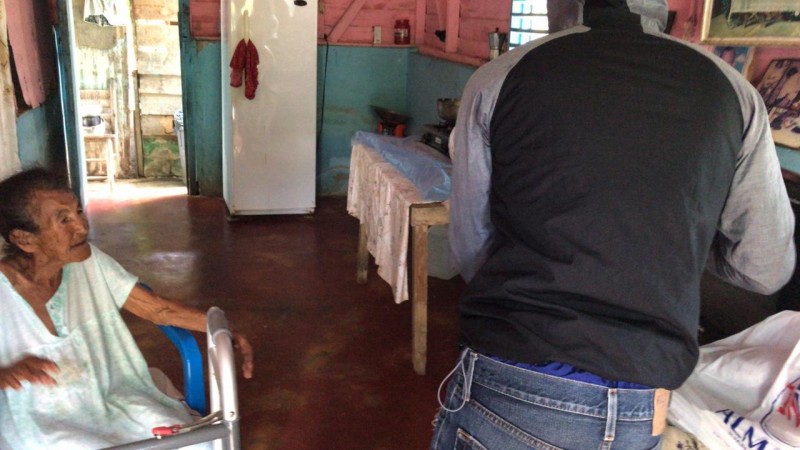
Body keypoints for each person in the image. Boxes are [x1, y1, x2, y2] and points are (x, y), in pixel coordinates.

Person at [432, 1, 796, 449]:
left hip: (518, 371)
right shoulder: (734, 92)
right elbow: (765, 268)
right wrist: (679, 244)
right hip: (641, 399)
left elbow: (471, 247)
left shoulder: (501, 76)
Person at [0, 167, 254, 449]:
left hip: (114, 396)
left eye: (78, 211)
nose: (82, 227)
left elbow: (158, 310)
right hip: (40, 417)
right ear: (24, 239)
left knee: (190, 442)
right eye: (64, 220)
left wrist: (224, 329)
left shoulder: (88, 261)